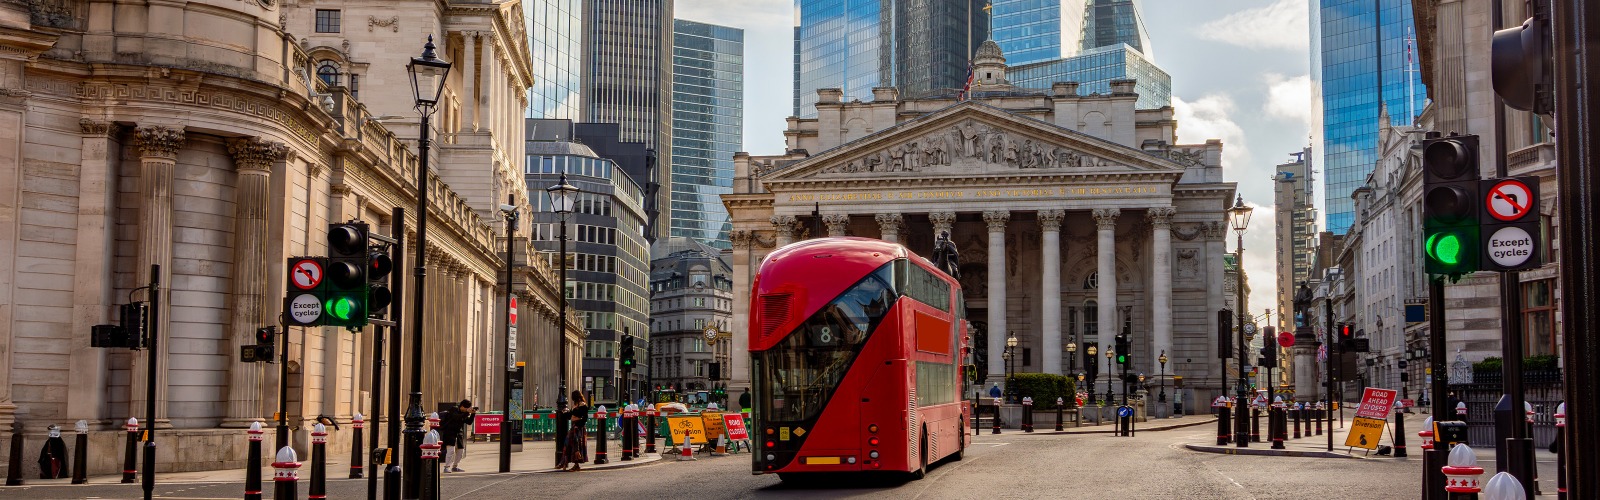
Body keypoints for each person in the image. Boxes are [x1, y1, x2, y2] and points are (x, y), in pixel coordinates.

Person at [558, 390, 590, 471]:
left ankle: (576, 464)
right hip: (574, 426)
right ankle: (564, 462)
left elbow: (584, 418)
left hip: (579, 428)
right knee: (567, 444)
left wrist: (576, 420)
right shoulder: (575, 405)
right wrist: (565, 413)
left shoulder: (583, 406)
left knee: (577, 446)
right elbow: (570, 416)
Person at [439, 400, 474, 473]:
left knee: (460, 451)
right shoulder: (453, 409)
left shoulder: (464, 413)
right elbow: (457, 417)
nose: (467, 409)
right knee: (450, 451)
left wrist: (473, 414)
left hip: (458, 434)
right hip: (450, 433)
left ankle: (455, 466)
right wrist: (467, 412)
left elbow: (469, 422)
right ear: (462, 406)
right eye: (466, 408)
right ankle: (447, 467)